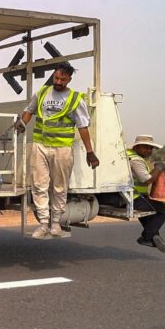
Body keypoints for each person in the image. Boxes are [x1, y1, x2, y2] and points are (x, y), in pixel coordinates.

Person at [15, 65, 100, 239]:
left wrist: (90, 152)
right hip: (40, 145)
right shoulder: (42, 93)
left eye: (63, 79)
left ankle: (55, 224)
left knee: (60, 187)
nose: (59, 82)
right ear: (53, 76)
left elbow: (83, 127)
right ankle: (43, 224)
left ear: (69, 80)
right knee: (39, 185)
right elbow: (29, 110)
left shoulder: (75, 99)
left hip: (62, 148)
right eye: (56, 78)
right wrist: (22, 123)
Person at [126, 134, 165, 253]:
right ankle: (146, 237)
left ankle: (153, 235)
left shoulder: (129, 155)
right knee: (163, 210)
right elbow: (146, 180)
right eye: (145, 147)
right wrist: (159, 168)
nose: (149, 150)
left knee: (147, 212)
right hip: (133, 196)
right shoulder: (136, 160)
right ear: (137, 147)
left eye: (151, 148)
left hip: (130, 195)